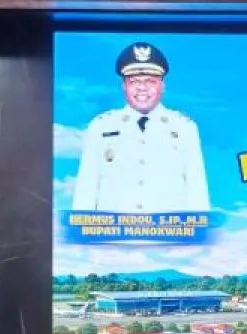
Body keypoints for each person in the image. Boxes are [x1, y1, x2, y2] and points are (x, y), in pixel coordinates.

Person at [72, 41, 210, 213]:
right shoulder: (101, 127)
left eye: (150, 82)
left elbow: (196, 191)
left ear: (162, 86)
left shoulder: (184, 128)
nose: (142, 88)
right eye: (134, 81)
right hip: (113, 230)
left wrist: (201, 227)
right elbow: (86, 189)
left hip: (169, 230)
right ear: (124, 86)